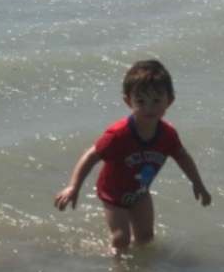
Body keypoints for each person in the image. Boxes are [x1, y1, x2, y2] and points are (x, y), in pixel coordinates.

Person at [54, 59, 212, 254]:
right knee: (121, 239)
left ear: (169, 101)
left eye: (156, 101)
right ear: (128, 101)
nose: (149, 108)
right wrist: (74, 186)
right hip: (112, 193)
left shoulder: (168, 135)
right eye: (141, 101)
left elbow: (182, 157)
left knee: (146, 238)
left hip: (140, 192)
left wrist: (197, 183)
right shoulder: (118, 134)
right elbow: (92, 155)